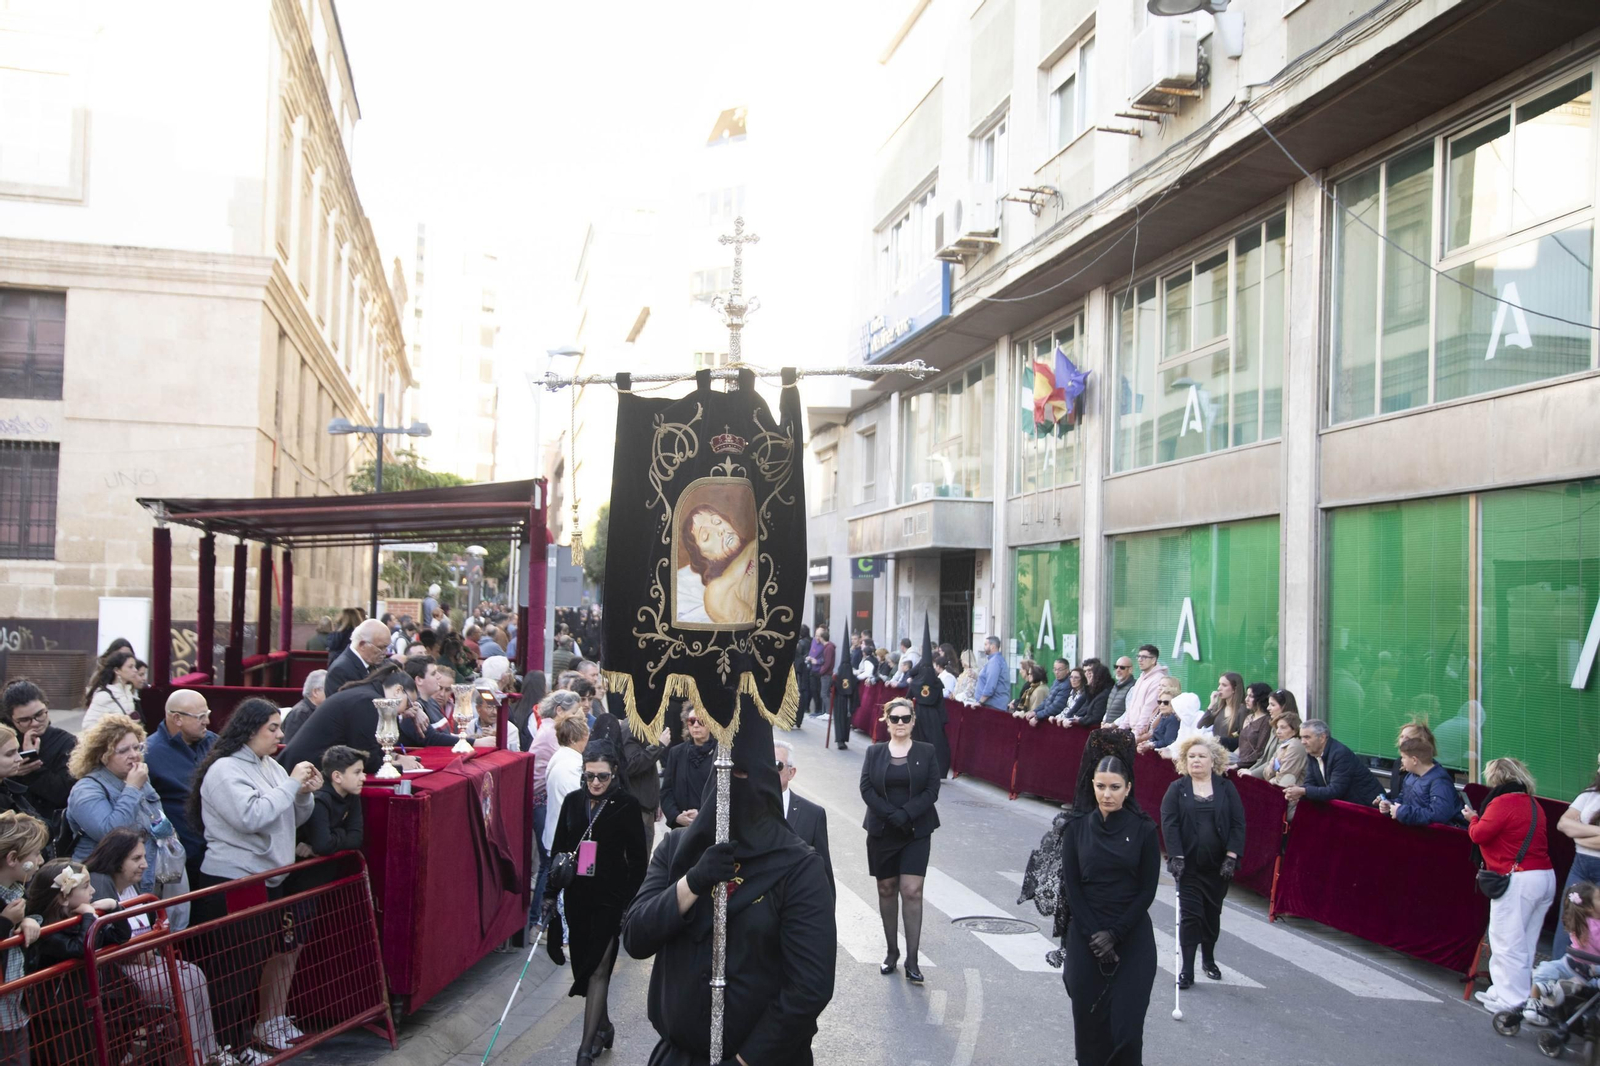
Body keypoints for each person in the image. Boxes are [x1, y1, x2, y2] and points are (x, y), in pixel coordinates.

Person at [621, 712, 834, 1066]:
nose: (735, 786)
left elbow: (810, 985)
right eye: (726, 775)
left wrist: (744, 1060)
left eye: (745, 775)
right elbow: (637, 936)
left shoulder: (798, 867)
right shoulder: (677, 849)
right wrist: (692, 882)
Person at [188, 698, 319, 1053]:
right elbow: (251, 816)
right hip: (234, 881)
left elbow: (292, 817)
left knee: (253, 965)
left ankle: (239, 1040)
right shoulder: (225, 770)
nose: (280, 735)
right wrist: (291, 785)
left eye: (280, 727)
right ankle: (224, 1047)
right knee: (233, 969)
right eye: (272, 728)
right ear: (248, 730)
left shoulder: (269, 766)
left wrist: (304, 795)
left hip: (267, 880)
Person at [84, 827, 227, 1066]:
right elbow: (104, 940)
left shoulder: (133, 885)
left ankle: (209, 1052)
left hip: (145, 960)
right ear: (117, 860)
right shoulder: (101, 883)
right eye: (136, 859)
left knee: (195, 975)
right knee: (181, 985)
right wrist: (138, 952)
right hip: (118, 971)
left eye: (144, 857)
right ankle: (195, 1059)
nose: (144, 864)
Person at [544, 743, 648, 1066]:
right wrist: (550, 894)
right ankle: (604, 1026)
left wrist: (627, 901)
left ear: (614, 773)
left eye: (602, 776)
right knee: (585, 969)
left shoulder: (626, 805)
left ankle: (584, 1049)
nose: (596, 783)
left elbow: (639, 861)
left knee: (600, 971)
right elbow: (559, 848)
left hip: (610, 900)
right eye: (589, 776)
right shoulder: (574, 803)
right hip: (578, 899)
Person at [1059, 749, 1159, 1066]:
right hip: (1086, 936)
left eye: (1115, 787)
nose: (1107, 794)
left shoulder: (1144, 830)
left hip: (1131, 938)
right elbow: (1072, 888)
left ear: (1128, 788)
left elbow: (1147, 890)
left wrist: (1115, 934)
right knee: (1089, 1031)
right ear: (1092, 785)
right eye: (1100, 786)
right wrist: (1096, 936)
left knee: (1127, 1033)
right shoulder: (1075, 829)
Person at [64, 714, 190, 928]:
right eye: (123, 751)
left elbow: (156, 820)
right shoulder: (87, 789)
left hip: (146, 877)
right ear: (102, 755)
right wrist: (131, 789)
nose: (134, 756)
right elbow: (110, 833)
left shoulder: (140, 777)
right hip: (107, 884)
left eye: (137, 748)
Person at [1464, 757, 1554, 1015]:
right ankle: (1517, 993)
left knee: (1505, 941)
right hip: (1544, 876)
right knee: (1526, 942)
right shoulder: (1534, 803)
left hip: (1519, 879)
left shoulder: (1503, 802)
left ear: (1496, 778)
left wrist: (1472, 818)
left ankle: (1510, 1000)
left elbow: (1479, 834)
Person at [860, 698, 940, 983]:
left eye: (906, 718)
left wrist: (906, 814)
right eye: (895, 719)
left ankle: (913, 959)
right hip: (883, 830)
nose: (901, 723)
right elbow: (866, 788)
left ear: (914, 721)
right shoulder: (874, 752)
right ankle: (892, 952)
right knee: (886, 888)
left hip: (916, 830)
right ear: (887, 721)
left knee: (912, 890)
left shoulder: (927, 752)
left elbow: (932, 790)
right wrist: (890, 814)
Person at [1161, 734, 1245, 988]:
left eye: (1201, 756)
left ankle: (1208, 960)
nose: (1196, 760)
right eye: (1191, 756)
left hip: (1218, 866)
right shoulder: (1177, 789)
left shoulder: (1226, 788)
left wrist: (1231, 857)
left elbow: (1238, 824)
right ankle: (1186, 970)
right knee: (1190, 916)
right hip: (1189, 866)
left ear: (1213, 760)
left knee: (1211, 915)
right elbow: (1169, 824)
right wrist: (1175, 856)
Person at [278, 662, 424, 776]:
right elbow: (367, 758)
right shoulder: (368, 702)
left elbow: (370, 750)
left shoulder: (365, 695)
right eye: (409, 703)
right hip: (303, 772)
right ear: (398, 690)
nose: (408, 709)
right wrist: (398, 766)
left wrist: (397, 757)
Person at [143, 690, 217, 888]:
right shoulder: (150, 754)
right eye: (200, 717)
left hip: (216, 848)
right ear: (177, 718)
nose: (207, 722)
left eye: (207, 714)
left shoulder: (214, 743)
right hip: (182, 855)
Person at [531, 692, 585, 921]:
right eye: (574, 715)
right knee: (551, 867)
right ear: (560, 711)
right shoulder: (564, 752)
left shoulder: (565, 753)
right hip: (543, 804)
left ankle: (539, 919)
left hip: (547, 806)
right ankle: (539, 920)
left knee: (549, 865)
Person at [287, 745, 366, 896]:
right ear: (337, 776)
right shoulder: (320, 800)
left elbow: (356, 838)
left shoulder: (353, 794)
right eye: (357, 772)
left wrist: (333, 835)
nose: (363, 777)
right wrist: (343, 833)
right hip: (303, 879)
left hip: (326, 875)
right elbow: (323, 844)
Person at [0, 680, 74, 829]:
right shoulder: (5, 738)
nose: (34, 723)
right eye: (24, 720)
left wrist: (33, 770)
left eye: (39, 714)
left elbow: (66, 795)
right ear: (12, 719)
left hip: (50, 822)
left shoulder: (66, 742)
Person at [0, 812, 43, 1066]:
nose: (40, 860)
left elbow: (36, 918)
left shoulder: (19, 892)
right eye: (35, 854)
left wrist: (28, 920)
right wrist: (6, 921)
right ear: (13, 859)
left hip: (15, 1012)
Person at [1527, 882, 1600, 1027]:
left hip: (1570, 962)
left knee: (1545, 970)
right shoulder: (1595, 927)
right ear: (1590, 907)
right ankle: (1564, 988)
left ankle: (1534, 1002)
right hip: (1591, 969)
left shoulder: (1578, 922)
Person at [1553, 754, 1600, 963]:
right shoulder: (1591, 794)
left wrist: (1579, 835)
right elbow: (1563, 824)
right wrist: (1594, 833)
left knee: (1596, 927)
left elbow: (1572, 829)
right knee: (1569, 920)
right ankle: (1556, 980)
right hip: (1580, 864)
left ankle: (1589, 987)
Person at [1285, 718, 1382, 808]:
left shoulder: (1340, 754)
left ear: (1322, 738)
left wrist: (1303, 791)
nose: (1303, 742)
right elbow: (1310, 782)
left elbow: (1335, 790)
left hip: (1368, 808)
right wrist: (1297, 792)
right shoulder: (1312, 753)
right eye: (1301, 737)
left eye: (1307, 737)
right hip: (1346, 808)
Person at [777, 740, 832, 890]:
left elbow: (824, 873)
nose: (770, 771)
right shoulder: (746, 808)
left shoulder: (813, 815)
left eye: (777, 765)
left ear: (791, 772)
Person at [1380, 734, 1463, 827]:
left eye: (1403, 757)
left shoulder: (1440, 782)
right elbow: (1403, 799)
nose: (1401, 761)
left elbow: (1439, 815)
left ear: (1414, 760)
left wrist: (1401, 812)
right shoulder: (1410, 776)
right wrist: (1391, 805)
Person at [542, 715, 591, 856]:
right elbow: (580, 803)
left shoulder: (561, 757)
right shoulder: (571, 766)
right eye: (584, 735)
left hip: (559, 835)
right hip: (567, 841)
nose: (587, 738)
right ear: (572, 739)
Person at [660, 710, 715, 830]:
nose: (696, 725)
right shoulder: (676, 753)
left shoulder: (721, 754)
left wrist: (702, 815)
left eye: (701, 721)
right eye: (691, 721)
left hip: (710, 827)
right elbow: (666, 791)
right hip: (682, 828)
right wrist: (676, 816)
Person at [1106, 644, 1168, 743]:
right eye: (1138, 656)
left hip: (1142, 733)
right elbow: (1131, 706)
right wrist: (1122, 727)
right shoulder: (1141, 678)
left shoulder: (1158, 679)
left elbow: (1149, 707)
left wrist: (1138, 732)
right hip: (1131, 730)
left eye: (1144, 657)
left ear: (1153, 660)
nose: (1139, 660)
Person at [324, 619, 392, 694]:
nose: (385, 652)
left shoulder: (375, 664)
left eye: (386, 648)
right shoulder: (340, 671)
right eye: (381, 648)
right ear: (362, 645)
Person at [80, 650, 141, 732]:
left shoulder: (128, 692)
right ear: (117, 671)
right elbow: (88, 725)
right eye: (130, 667)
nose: (135, 670)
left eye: (135, 666)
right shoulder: (104, 695)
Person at [1246, 712, 1306, 787]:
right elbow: (1266, 774)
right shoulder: (1283, 745)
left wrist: (1271, 778)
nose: (1278, 731)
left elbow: (1284, 781)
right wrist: (1274, 767)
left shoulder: (1295, 746)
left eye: (1283, 727)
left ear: (1294, 731)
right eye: (1277, 727)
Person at [1197, 672, 1246, 751]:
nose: (1219, 688)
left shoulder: (1242, 710)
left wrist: (1226, 739)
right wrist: (1211, 705)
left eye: (1224, 685)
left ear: (1234, 689)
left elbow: (1242, 737)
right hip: (1214, 751)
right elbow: (1201, 725)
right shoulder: (1220, 708)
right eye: (1219, 684)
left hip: (1229, 753)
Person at [1061, 661, 1113, 729]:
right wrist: (1070, 718)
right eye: (1085, 671)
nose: (1087, 674)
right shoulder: (1090, 690)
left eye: (1090, 671)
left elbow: (1095, 717)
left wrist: (1077, 720)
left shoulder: (1103, 693)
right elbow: (1080, 707)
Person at [1234, 683, 1274, 768]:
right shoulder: (1248, 717)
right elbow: (1241, 746)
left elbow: (1259, 751)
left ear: (1260, 699)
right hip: (1239, 759)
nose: (1246, 699)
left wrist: (1237, 765)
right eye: (1247, 695)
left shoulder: (1266, 721)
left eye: (1251, 696)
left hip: (1251, 766)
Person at [281, 671, 327, 744]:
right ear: (316, 692)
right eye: (329, 689)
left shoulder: (319, 711)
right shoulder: (300, 714)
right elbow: (290, 746)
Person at [831, 639, 859, 750]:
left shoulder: (839, 674)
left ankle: (841, 740)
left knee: (841, 720)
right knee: (844, 720)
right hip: (845, 700)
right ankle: (841, 740)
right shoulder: (850, 676)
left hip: (841, 700)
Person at [974, 636, 1009, 711]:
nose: (984, 647)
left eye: (986, 644)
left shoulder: (994, 662)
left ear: (993, 646)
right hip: (992, 705)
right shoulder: (995, 660)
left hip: (993, 706)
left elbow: (990, 685)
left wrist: (980, 702)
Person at [808, 627, 836, 720]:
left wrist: (821, 671)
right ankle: (826, 712)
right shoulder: (827, 647)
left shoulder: (828, 648)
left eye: (818, 636)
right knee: (824, 693)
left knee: (824, 694)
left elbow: (827, 662)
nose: (817, 638)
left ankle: (828, 713)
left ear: (821, 638)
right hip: (823, 673)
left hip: (825, 673)